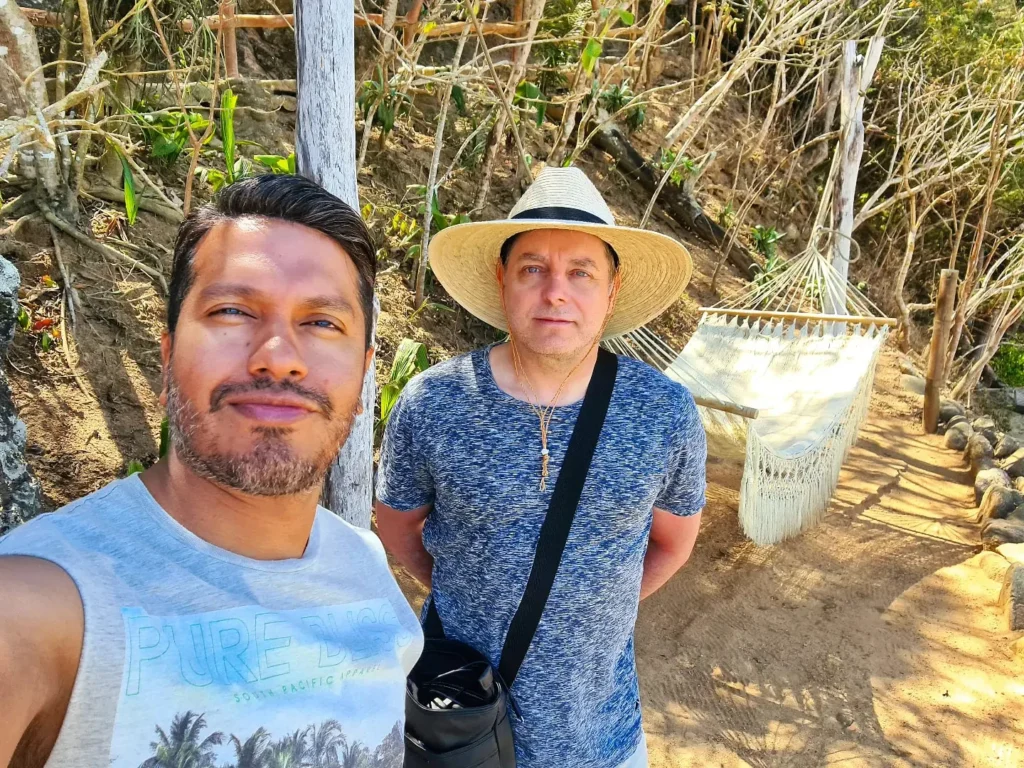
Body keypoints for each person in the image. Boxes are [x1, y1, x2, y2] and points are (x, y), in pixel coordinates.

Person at [0, 175, 422, 768]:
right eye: (231, 311)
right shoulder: (44, 607)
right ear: (169, 353)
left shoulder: (366, 569)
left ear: (364, 370)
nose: (279, 354)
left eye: (323, 323)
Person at [376, 166, 708, 768]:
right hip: (460, 729)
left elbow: (674, 541)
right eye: (534, 269)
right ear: (502, 281)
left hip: (603, 738)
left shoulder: (664, 412)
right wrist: (470, 588)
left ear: (612, 289)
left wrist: (591, 609)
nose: (556, 291)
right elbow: (397, 525)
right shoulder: (433, 403)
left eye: (581, 272)